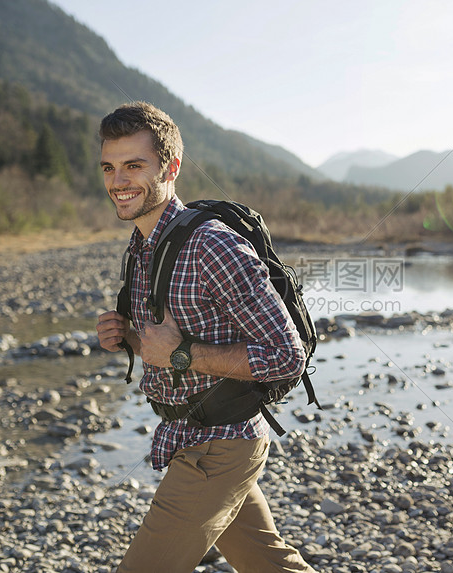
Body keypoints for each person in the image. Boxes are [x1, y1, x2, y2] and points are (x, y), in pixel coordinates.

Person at [95, 101, 317, 573]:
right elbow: (167, 341)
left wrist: (180, 355)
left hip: (220, 442)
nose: (118, 181)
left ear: (171, 167)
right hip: (187, 435)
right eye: (110, 167)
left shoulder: (210, 244)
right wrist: (130, 338)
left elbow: (286, 356)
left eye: (135, 166)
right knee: (269, 565)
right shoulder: (141, 245)